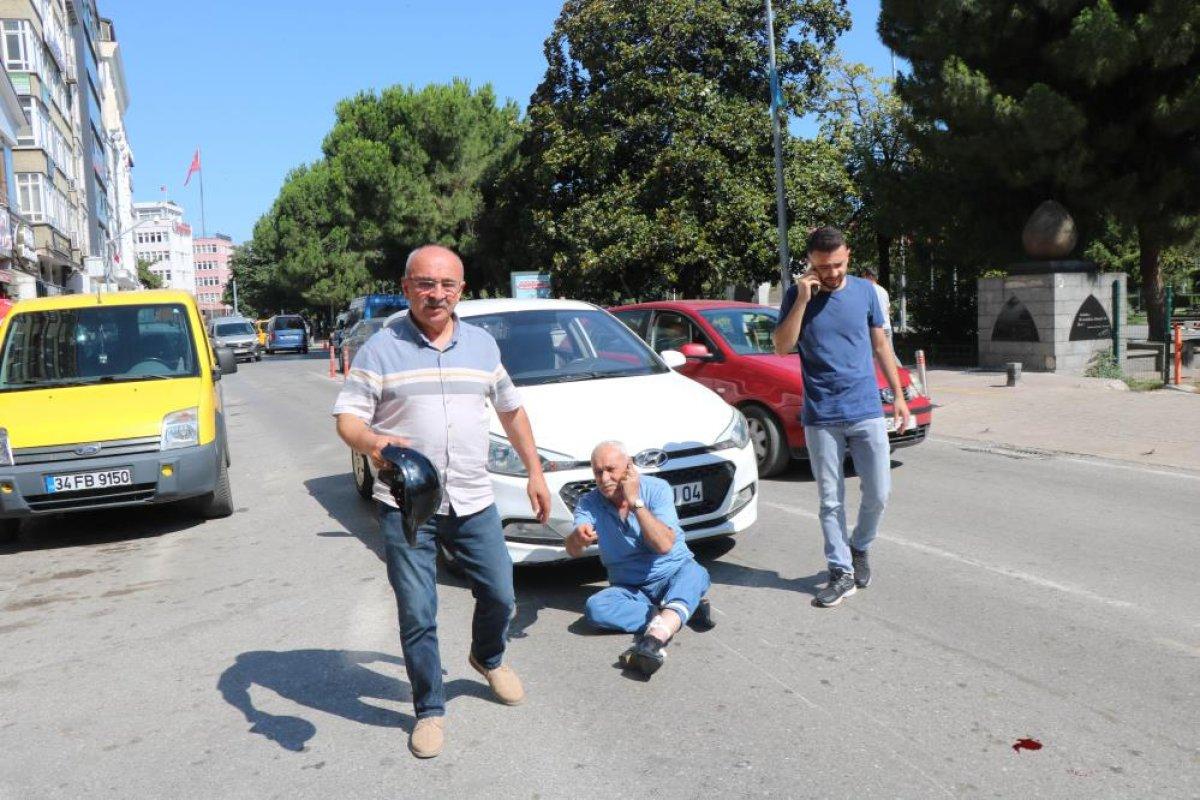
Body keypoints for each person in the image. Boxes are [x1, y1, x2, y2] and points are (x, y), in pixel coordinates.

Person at [332, 244, 552, 759]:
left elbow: (512, 411)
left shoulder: (482, 346)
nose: (436, 294)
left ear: (461, 290)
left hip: (475, 499)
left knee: (500, 594)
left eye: (446, 285)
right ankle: (429, 709)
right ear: (406, 287)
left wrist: (536, 472)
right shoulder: (380, 349)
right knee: (418, 611)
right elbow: (348, 420)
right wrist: (378, 446)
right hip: (408, 506)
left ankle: (488, 657)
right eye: (425, 284)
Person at [772, 227, 911, 608]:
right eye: (823, 266)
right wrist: (801, 299)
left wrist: (898, 396)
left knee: (879, 492)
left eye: (837, 264)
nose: (831, 273)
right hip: (822, 413)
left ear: (848, 255)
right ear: (811, 264)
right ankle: (840, 570)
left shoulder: (866, 293)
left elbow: (880, 345)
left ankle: (859, 547)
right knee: (830, 499)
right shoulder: (797, 295)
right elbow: (783, 346)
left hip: (865, 408)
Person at [564, 441, 714, 676]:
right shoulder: (590, 502)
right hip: (631, 588)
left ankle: (653, 641)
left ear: (629, 467)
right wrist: (577, 538)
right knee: (596, 608)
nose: (604, 479)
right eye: (597, 472)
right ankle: (676, 613)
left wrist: (636, 503)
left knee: (695, 574)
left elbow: (664, 545)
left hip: (673, 573)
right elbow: (572, 549)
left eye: (610, 469)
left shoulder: (657, 489)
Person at [861, 267, 894, 347]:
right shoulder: (883, 291)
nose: (862, 279)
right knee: (889, 356)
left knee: (874, 357)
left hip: (874, 330)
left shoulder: (867, 290)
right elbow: (888, 309)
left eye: (863, 277)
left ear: (870, 277)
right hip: (886, 327)